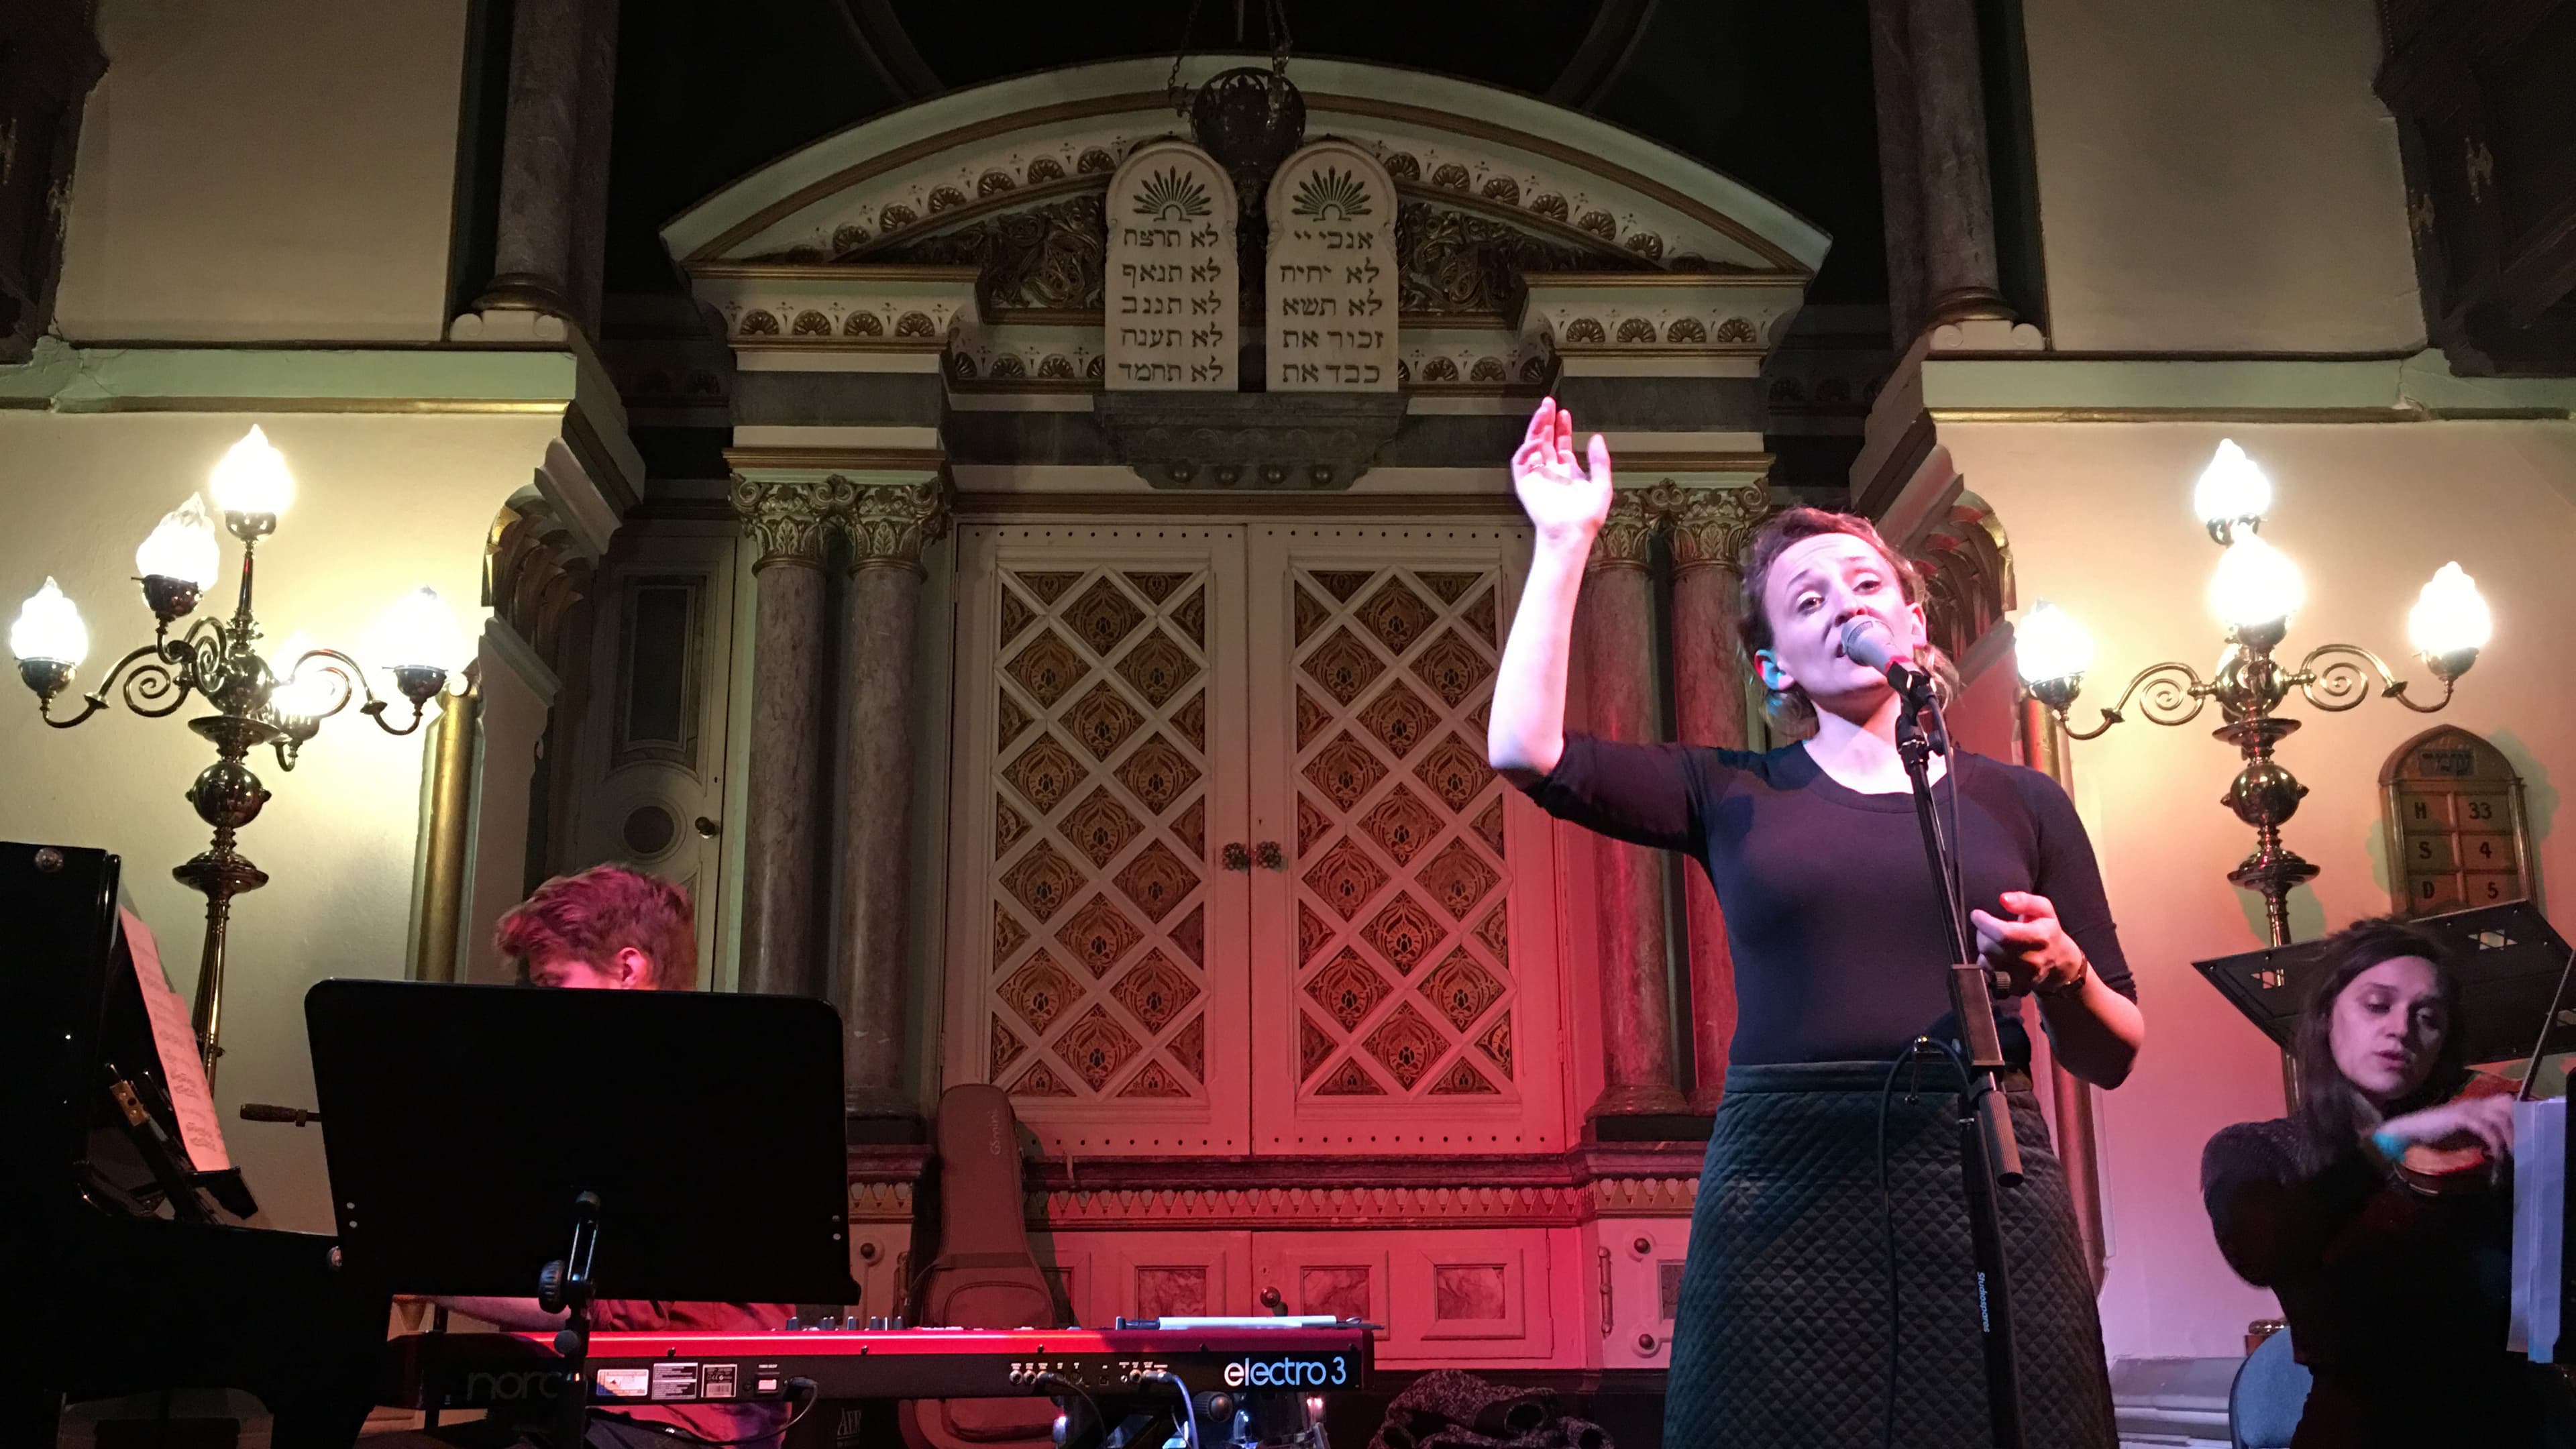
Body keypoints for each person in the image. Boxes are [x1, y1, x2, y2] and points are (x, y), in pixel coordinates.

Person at [1489, 398, 2145, 1448]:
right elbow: (1526, 750)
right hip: (1783, 1183)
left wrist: (2064, 973)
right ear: (1774, 666)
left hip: (1981, 1167)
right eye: (1807, 598)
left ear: (1915, 624)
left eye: (1867, 584)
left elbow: (2114, 1053)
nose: (1844, 603)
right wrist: (1565, 543)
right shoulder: (1732, 790)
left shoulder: (2021, 803)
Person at [370, 865, 795, 1449]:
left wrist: (408, 1270)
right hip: (583, 1405)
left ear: (628, 968)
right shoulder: (601, 1099)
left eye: (552, 985)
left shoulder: (696, 1101)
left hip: (677, 1427)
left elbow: (591, 1300)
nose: (540, 1009)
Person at [2202, 918, 2559, 1448]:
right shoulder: (2257, 1150)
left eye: (2428, 1017)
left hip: (2520, 1426)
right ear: (2326, 1018)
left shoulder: (2487, 1145)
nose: (2401, 1029)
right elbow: (2261, 1252)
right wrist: (2390, 1142)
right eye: (2377, 1005)